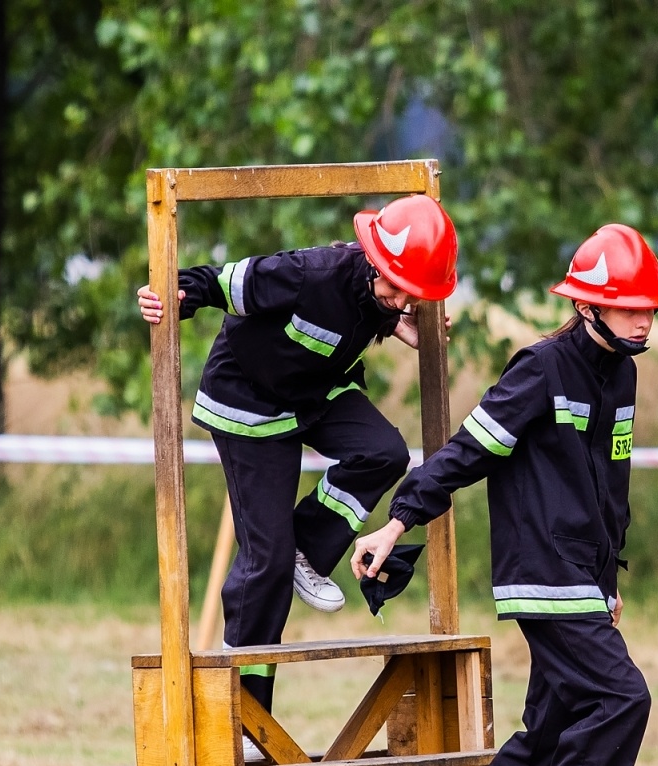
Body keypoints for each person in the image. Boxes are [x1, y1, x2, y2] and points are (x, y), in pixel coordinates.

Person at [351, 224, 658, 766]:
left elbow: (610, 485)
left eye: (649, 305)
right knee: (622, 698)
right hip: (540, 572)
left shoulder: (624, 374)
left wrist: (609, 578)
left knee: (556, 721)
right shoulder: (540, 369)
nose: (643, 317)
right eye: (627, 305)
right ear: (587, 306)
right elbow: (468, 451)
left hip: (582, 577)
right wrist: (399, 519)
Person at [137, 195, 456, 715]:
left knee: (384, 453)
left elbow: (372, 312)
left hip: (314, 394)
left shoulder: (384, 299)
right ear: (373, 259)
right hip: (248, 405)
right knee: (266, 565)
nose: (402, 301)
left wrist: (397, 323)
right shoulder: (310, 273)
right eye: (397, 289)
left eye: (413, 294)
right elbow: (216, 281)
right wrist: (169, 298)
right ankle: (244, 714)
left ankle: (302, 549)